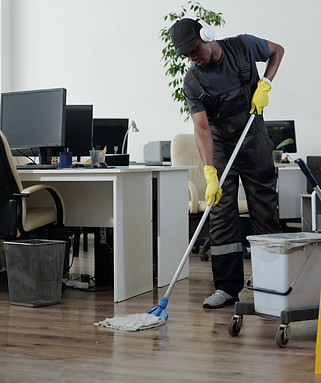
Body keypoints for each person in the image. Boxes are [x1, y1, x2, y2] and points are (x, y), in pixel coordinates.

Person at [170, 18, 284, 309]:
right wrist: (209, 172)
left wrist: (266, 83)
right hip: (221, 147)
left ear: (206, 35)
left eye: (194, 49)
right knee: (221, 217)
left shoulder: (244, 47)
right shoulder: (193, 82)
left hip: (255, 141)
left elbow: (277, 50)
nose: (192, 57)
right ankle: (226, 288)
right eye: (186, 55)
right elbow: (202, 129)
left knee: (265, 211)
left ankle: (270, 284)